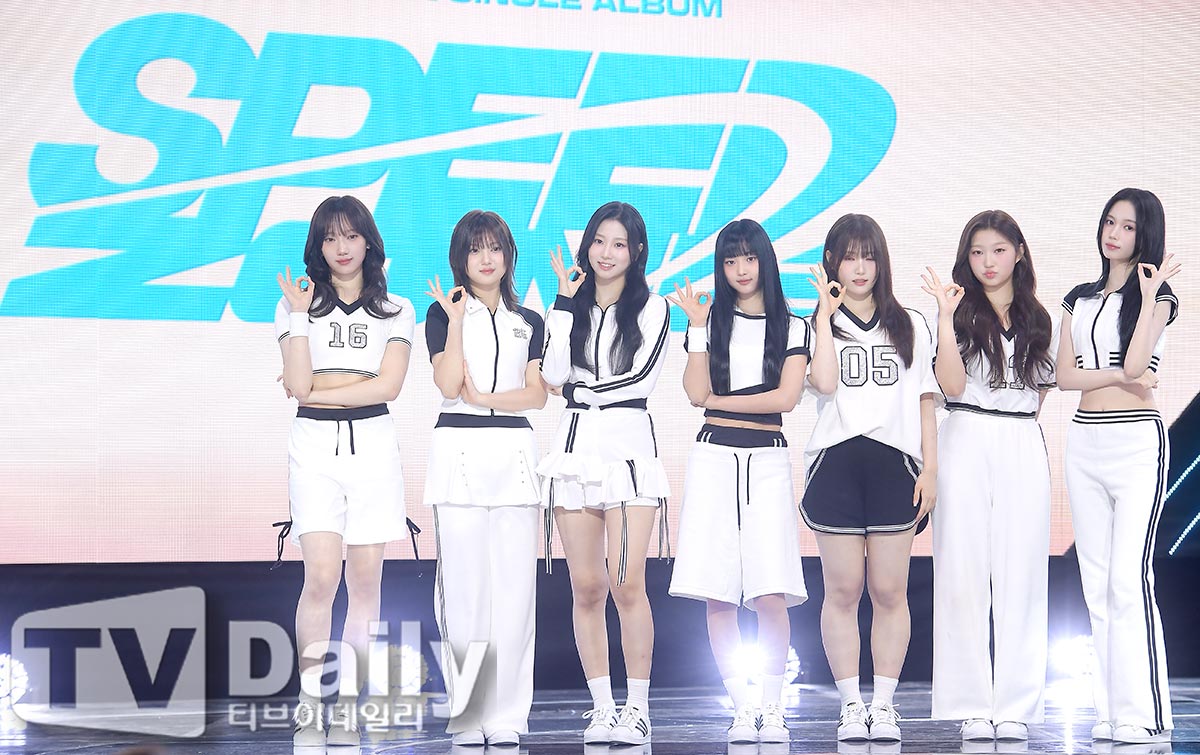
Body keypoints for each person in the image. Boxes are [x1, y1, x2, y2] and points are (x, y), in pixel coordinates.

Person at [274, 196, 415, 747]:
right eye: (330, 237)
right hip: (313, 449)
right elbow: (298, 387)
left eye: (351, 235)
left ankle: (350, 705)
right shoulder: (296, 306)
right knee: (320, 577)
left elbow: (389, 387)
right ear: (318, 245)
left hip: (374, 448)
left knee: (365, 583)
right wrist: (334, 377)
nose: (342, 247)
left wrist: (320, 385)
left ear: (368, 241)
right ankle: (311, 702)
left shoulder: (397, 309)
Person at [667, 219, 809, 745]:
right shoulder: (709, 324)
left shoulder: (793, 326)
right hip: (713, 459)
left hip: (767, 459)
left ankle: (772, 706)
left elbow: (785, 398)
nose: (741, 269)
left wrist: (720, 402)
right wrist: (697, 328)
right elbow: (694, 392)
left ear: (764, 261)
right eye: (730, 261)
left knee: (770, 592)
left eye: (749, 258)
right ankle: (743, 708)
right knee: (718, 595)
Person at [538, 201, 671, 746]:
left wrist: (579, 389)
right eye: (599, 241)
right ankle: (601, 707)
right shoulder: (569, 305)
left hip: (628, 455)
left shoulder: (655, 308)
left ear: (636, 251)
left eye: (619, 244)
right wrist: (562, 302)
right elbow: (551, 375)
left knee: (626, 582)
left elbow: (640, 381)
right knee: (587, 587)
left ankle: (637, 708)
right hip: (574, 455)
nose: (607, 253)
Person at [803, 214, 939, 743]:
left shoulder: (912, 324)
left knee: (888, 589)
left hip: (894, 466)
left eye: (869, 256)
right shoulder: (815, 323)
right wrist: (822, 317)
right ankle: (850, 705)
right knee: (842, 589)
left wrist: (931, 468)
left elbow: (925, 400)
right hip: (836, 464)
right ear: (831, 262)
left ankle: (883, 705)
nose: (860, 268)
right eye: (848, 256)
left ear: (882, 261)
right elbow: (821, 383)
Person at [924, 211, 1056, 742]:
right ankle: (971, 705)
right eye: (977, 252)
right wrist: (943, 316)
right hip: (964, 434)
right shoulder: (958, 312)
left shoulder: (1039, 318)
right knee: (961, 574)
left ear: (1019, 252)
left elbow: (1040, 394)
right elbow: (951, 387)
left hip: (1021, 438)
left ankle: (1016, 705)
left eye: (998, 250)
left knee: (1022, 573)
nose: (987, 262)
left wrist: (1014, 430)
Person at [1058, 188, 1180, 745]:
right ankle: (1109, 710)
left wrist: (1149, 298)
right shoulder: (1078, 299)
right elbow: (1065, 377)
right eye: (1110, 222)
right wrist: (1114, 376)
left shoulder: (1159, 295)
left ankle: (1144, 714)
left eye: (1128, 227)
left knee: (1129, 581)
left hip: (1136, 442)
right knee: (1097, 582)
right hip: (1084, 441)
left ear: (1145, 234)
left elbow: (1136, 364)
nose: (1115, 234)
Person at [423, 210, 547, 748]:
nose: (486, 258)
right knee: (465, 591)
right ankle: (470, 711)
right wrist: (455, 322)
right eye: (476, 249)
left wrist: (489, 398)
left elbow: (537, 395)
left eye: (495, 248)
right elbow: (448, 384)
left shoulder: (529, 319)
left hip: (515, 454)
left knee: (515, 594)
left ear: (508, 255)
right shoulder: (440, 312)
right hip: (459, 454)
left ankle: (508, 715)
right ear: (461, 257)